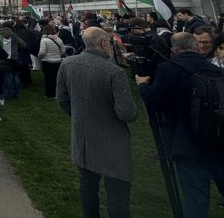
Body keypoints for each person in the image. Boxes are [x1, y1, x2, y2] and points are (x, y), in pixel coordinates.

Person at [136, 32, 224, 216]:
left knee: (196, 201)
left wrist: (143, 85)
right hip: (218, 139)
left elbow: (155, 102)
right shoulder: (215, 69)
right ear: (196, 46)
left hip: (188, 144)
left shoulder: (168, 69)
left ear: (174, 49)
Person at [56, 27, 138, 218]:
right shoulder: (114, 72)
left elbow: (61, 99)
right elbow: (127, 113)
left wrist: (78, 114)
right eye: (109, 42)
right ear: (103, 43)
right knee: (117, 191)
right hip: (112, 139)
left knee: (87, 186)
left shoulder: (67, 63)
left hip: (83, 135)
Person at [37, 24, 64, 99]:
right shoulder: (59, 39)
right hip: (58, 61)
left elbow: (42, 52)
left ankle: (50, 94)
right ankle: (58, 93)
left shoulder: (44, 40)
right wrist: (58, 55)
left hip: (47, 61)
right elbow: (63, 51)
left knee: (48, 79)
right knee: (57, 78)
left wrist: (39, 56)